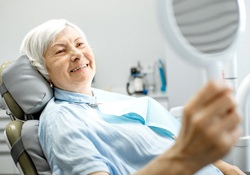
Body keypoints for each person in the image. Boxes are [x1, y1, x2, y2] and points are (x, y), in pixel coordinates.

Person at [20, 19, 245, 175]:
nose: (77, 54)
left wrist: (223, 166)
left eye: (80, 44)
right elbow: (184, 151)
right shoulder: (62, 120)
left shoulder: (101, 99)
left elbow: (169, 140)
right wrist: (187, 155)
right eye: (60, 51)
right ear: (43, 70)